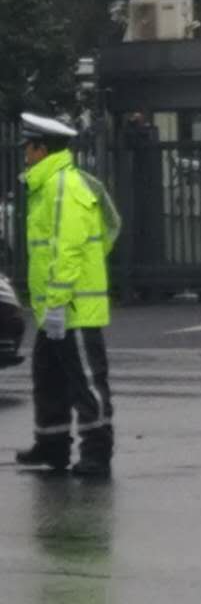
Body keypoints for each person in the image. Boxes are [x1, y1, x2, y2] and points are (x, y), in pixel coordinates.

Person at [14, 113, 115, 479]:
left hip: (72, 308)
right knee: (49, 379)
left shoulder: (63, 187)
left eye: (28, 147)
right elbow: (106, 232)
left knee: (87, 383)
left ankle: (96, 453)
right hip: (56, 308)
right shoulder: (50, 184)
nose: (25, 154)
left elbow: (67, 248)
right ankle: (51, 445)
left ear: (41, 149)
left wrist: (58, 300)